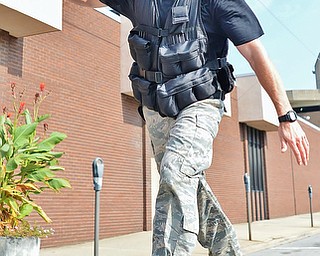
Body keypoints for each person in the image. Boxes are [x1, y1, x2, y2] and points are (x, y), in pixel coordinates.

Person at [71, 0, 310, 255]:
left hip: (201, 102)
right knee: (185, 185)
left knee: (176, 171)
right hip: (157, 107)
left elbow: (254, 52)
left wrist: (286, 116)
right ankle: (226, 249)